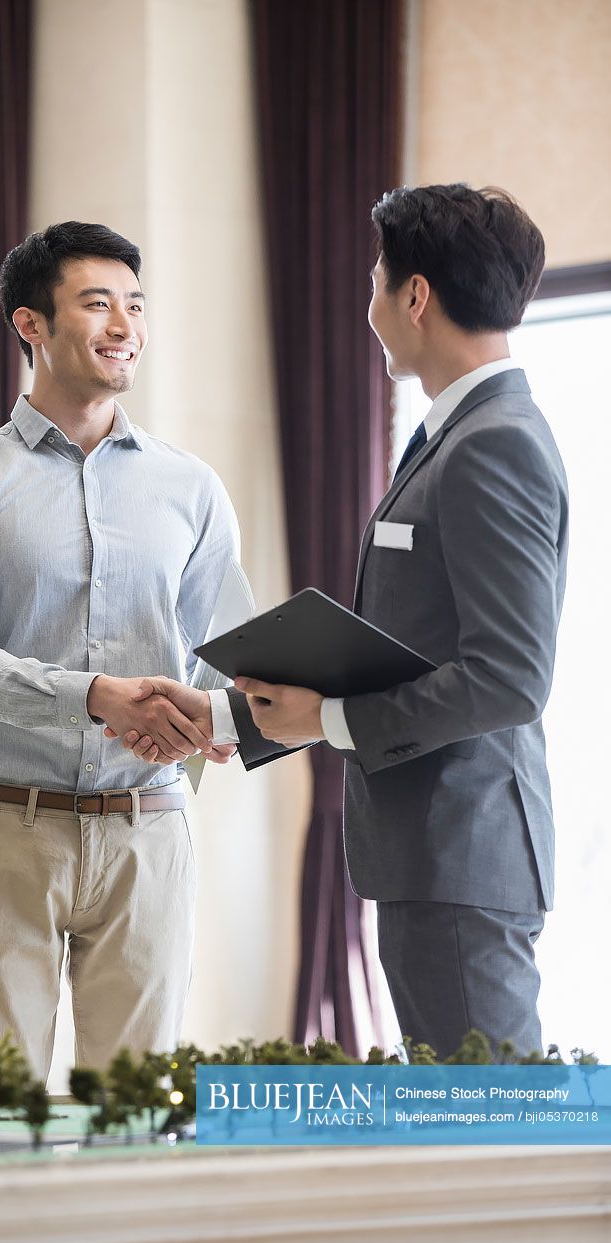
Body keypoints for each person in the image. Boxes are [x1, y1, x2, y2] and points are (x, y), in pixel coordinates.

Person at [117, 186, 568, 1061]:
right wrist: (221, 715)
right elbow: (405, 656)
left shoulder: (493, 440)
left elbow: (509, 678)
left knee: (484, 1138)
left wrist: (325, 720)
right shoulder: (460, 434)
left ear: (415, 296)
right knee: (462, 1134)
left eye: (374, 282)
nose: (369, 306)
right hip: (436, 855)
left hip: (460, 849)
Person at [0, 221, 235, 1079]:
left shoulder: (191, 487)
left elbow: (223, 653)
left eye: (134, 304)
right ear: (32, 326)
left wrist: (189, 730)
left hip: (148, 834)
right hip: (0, 830)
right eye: (97, 303)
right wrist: (97, 696)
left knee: (134, 1120)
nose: (123, 323)